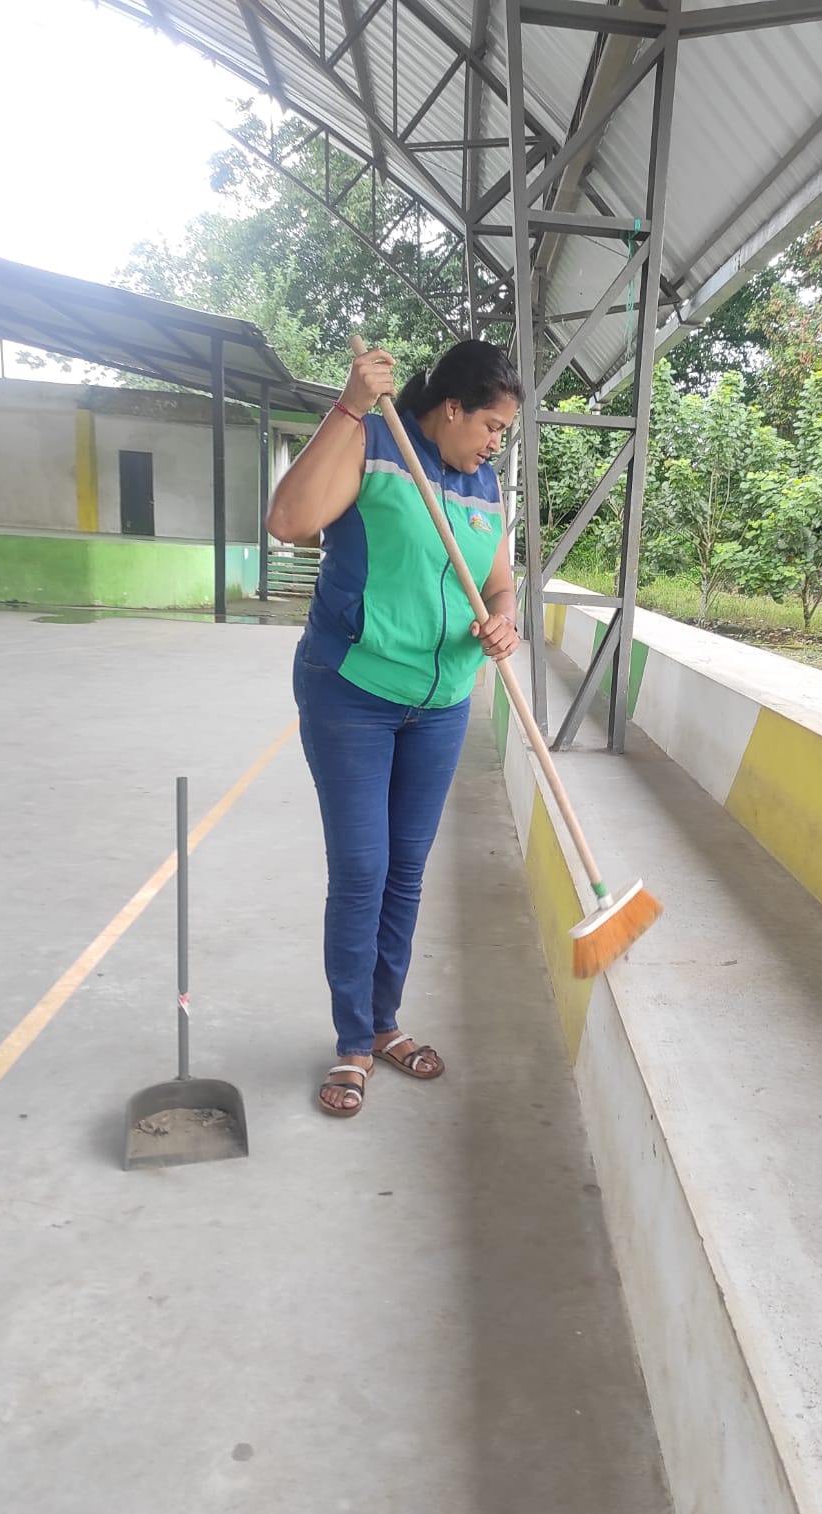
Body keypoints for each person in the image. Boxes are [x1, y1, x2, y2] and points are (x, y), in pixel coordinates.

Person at [267, 339, 524, 1119]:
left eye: (504, 433)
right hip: (353, 690)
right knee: (362, 871)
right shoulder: (374, 443)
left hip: (441, 702)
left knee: (405, 872)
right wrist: (348, 406)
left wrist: (504, 622)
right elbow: (288, 521)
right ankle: (353, 1042)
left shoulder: (485, 486)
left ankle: (384, 1025)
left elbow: (499, 584)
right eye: (491, 426)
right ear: (451, 407)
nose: (495, 443)